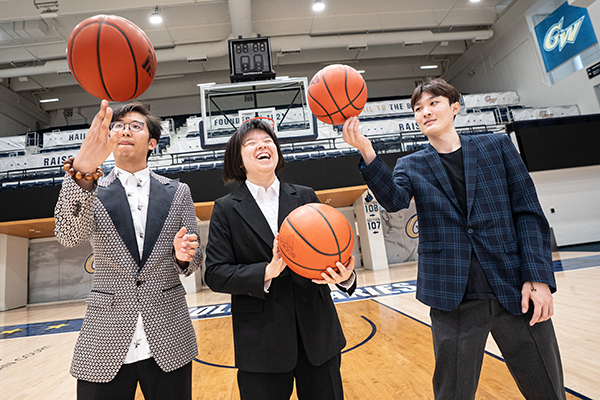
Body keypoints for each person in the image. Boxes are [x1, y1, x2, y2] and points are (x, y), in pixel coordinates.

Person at [342, 79, 566, 400]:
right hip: (454, 299)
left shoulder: (496, 147)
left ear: (454, 107)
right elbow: (393, 199)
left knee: (547, 389)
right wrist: (367, 151)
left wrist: (539, 279)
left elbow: (528, 212)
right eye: (418, 109)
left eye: (433, 103)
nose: (425, 112)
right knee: (452, 394)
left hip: (516, 289)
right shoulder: (411, 164)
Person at [54, 100, 202, 400]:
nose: (124, 131)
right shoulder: (89, 187)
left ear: (152, 143)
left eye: (135, 126)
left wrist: (182, 255)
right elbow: (68, 236)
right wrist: (81, 172)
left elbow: (195, 257)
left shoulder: (178, 192)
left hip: (168, 334)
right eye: (118, 126)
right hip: (105, 335)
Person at [204, 118, 357, 400]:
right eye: (251, 143)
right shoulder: (225, 209)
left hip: (318, 338)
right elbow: (215, 273)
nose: (262, 145)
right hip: (261, 343)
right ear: (238, 160)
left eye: (267, 141)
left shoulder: (305, 195)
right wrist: (267, 271)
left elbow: (333, 256)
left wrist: (346, 277)